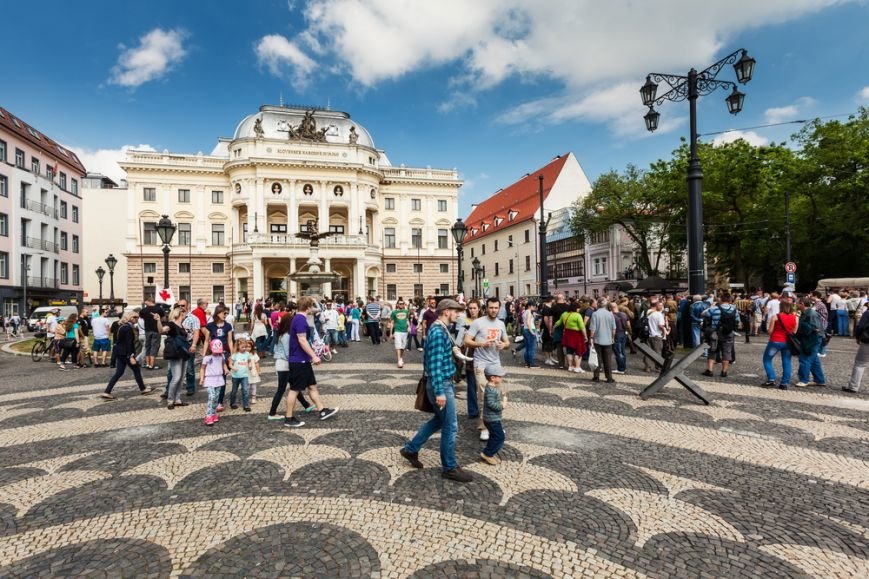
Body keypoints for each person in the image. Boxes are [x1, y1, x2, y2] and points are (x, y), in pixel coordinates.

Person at [400, 299, 473, 483]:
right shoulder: (439, 332)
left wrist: (454, 351)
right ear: (446, 311)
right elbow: (434, 366)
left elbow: (440, 357)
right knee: (451, 425)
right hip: (441, 385)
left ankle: (410, 449)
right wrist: (440, 392)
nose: (458, 314)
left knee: (439, 421)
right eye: (456, 311)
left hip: (442, 383)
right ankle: (449, 467)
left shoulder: (441, 329)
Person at [282, 296, 339, 427]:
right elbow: (302, 340)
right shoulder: (300, 320)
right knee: (294, 389)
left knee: (312, 386)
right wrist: (314, 355)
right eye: (311, 306)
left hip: (302, 359)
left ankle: (322, 410)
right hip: (298, 360)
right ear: (307, 307)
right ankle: (289, 418)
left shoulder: (298, 318)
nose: (313, 309)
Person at [463, 297, 509, 441]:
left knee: (498, 394)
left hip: (495, 363)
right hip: (480, 363)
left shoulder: (501, 324)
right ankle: (484, 427)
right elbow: (467, 341)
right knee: (483, 395)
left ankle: (494, 424)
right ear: (486, 308)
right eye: (491, 307)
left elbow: (507, 341)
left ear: (499, 308)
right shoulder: (478, 323)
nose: (493, 310)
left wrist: (504, 345)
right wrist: (481, 344)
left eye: (496, 308)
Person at [268, 312, 315, 420]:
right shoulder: (287, 336)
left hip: (282, 363)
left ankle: (306, 405)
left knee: (295, 386)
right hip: (285, 364)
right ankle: (272, 412)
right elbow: (288, 352)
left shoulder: (281, 334)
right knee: (282, 389)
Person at [102, 311, 154, 399]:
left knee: (119, 373)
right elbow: (129, 343)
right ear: (130, 318)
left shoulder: (122, 326)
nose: (137, 319)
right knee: (136, 370)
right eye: (135, 317)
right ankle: (143, 389)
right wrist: (131, 356)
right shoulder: (128, 328)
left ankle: (107, 391)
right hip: (126, 353)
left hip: (119, 352)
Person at [201, 304, 234, 412]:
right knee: (212, 375)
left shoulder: (228, 326)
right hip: (213, 354)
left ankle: (219, 401)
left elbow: (230, 341)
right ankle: (213, 397)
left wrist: (232, 354)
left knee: (222, 377)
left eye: (226, 313)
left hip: (224, 353)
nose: (225, 315)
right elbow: (207, 340)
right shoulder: (210, 325)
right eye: (224, 313)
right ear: (218, 313)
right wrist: (204, 352)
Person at [761, 299, 797, 390]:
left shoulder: (775, 317)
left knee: (767, 359)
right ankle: (784, 383)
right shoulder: (796, 317)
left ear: (781, 307)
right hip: (788, 342)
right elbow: (794, 331)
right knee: (787, 361)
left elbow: (770, 331)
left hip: (776, 340)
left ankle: (771, 379)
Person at [702, 293, 737, 378]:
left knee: (712, 351)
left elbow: (703, 314)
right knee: (727, 352)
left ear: (720, 299)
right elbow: (737, 320)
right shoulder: (734, 309)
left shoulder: (714, 309)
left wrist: (711, 306)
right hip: (728, 333)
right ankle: (724, 372)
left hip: (715, 333)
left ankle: (710, 370)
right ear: (729, 300)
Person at [456, 299, 481, 419]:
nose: (472, 310)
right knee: (471, 385)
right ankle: (473, 411)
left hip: (482, 355)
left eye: (474, 308)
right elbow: (459, 339)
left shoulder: (483, 321)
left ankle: (484, 408)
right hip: (469, 355)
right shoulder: (465, 321)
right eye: (470, 308)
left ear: (479, 309)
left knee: (482, 384)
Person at [164, 305, 191, 409]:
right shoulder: (171, 324)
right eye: (183, 312)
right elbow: (162, 330)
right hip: (175, 353)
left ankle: (177, 399)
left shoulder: (182, 326)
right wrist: (158, 321)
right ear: (179, 314)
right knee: (176, 377)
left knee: (181, 378)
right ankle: (170, 400)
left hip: (183, 353)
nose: (185, 314)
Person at [479, 363, 507, 465]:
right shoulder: (491, 390)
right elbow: (491, 404)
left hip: (492, 418)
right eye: (499, 376)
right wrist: (502, 405)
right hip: (492, 419)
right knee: (499, 437)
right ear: (492, 378)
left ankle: (489, 452)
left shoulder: (491, 388)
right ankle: (488, 453)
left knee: (494, 435)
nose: (501, 378)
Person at [796, 297, 826, 388]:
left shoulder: (811, 313)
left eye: (797, 303)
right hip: (812, 339)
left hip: (812, 339)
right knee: (814, 361)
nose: (795, 305)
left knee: (805, 359)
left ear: (802, 303)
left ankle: (804, 380)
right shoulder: (806, 313)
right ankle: (819, 380)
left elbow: (816, 329)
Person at [200, 339, 230, 426]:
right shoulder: (207, 358)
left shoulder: (221, 356)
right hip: (210, 379)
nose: (217, 353)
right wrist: (202, 378)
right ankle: (208, 415)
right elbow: (202, 368)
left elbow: (223, 363)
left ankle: (213, 413)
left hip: (219, 379)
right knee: (212, 397)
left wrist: (226, 369)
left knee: (216, 398)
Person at [588, 298, 616, 383]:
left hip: (597, 340)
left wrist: (591, 338)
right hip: (608, 340)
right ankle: (609, 377)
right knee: (608, 360)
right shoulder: (610, 314)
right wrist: (612, 337)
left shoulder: (595, 314)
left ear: (598, 304)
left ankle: (596, 377)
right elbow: (613, 328)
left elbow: (593, 328)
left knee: (597, 359)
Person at [554, 302, 587, 374]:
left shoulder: (564, 314)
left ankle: (570, 366)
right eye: (578, 308)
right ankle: (577, 367)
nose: (579, 310)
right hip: (577, 335)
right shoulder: (577, 315)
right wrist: (585, 336)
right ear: (576, 308)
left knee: (569, 351)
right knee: (579, 351)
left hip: (567, 334)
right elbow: (582, 327)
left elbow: (558, 322)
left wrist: (553, 329)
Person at [844, 306, 869, 393]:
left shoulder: (867, 313)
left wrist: (858, 337)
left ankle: (853, 386)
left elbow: (861, 326)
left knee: (860, 364)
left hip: (867, 341)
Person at [229, 338, 254, 411]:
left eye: (245, 347)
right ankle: (232, 403)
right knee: (234, 391)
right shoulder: (235, 355)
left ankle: (246, 405)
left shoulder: (247, 354)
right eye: (242, 347)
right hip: (235, 376)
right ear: (238, 346)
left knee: (245, 390)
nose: (244, 348)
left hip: (244, 376)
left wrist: (250, 365)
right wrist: (233, 368)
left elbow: (249, 361)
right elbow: (230, 364)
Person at [644, 301, 667, 373]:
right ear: (657, 306)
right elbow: (660, 325)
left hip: (647, 334)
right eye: (660, 305)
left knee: (648, 352)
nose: (661, 307)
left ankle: (647, 367)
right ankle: (658, 367)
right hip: (657, 335)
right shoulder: (659, 314)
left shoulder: (646, 312)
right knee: (657, 352)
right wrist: (664, 332)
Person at [140, 298, 162, 370]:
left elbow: (141, 317)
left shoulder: (143, 310)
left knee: (148, 347)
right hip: (156, 330)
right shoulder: (159, 309)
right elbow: (164, 318)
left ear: (149, 302)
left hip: (147, 330)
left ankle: (147, 364)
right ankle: (152, 365)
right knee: (154, 347)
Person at [610, 303, 629, 374]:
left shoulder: (611, 316)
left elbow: (612, 328)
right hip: (624, 333)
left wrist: (612, 337)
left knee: (618, 352)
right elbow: (628, 324)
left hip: (617, 334)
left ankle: (621, 369)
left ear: (610, 308)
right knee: (623, 351)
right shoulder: (624, 314)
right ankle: (623, 367)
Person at [391, 299, 410, 368]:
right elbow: (392, 323)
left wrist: (409, 326)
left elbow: (407, 320)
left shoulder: (406, 312)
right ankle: (399, 360)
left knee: (403, 346)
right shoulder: (394, 312)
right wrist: (391, 333)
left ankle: (401, 358)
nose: (401, 305)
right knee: (398, 346)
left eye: (402, 304)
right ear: (397, 304)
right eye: (400, 304)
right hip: (397, 331)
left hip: (405, 331)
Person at [520, 301, 539, 368]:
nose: (534, 307)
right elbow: (528, 322)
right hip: (529, 329)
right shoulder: (529, 312)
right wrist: (532, 331)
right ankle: (531, 363)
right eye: (533, 306)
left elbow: (526, 321)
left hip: (525, 329)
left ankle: (527, 363)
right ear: (529, 306)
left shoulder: (525, 312)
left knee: (527, 347)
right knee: (531, 348)